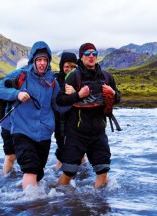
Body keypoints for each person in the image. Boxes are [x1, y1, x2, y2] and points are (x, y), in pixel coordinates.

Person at [0, 41, 60, 190]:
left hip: (44, 134)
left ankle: (35, 204)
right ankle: (31, 206)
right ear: (33, 61)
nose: (42, 63)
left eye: (45, 60)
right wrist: (17, 94)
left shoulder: (53, 82)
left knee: (38, 173)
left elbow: (59, 104)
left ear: (48, 61)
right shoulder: (21, 75)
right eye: (39, 60)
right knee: (30, 169)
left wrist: (75, 96)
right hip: (22, 130)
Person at [55, 43, 121, 189]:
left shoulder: (107, 76)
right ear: (81, 57)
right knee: (69, 172)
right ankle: (54, 197)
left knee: (103, 170)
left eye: (94, 53)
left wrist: (113, 93)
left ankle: (97, 204)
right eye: (87, 53)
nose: (91, 56)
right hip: (76, 133)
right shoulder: (73, 76)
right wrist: (78, 95)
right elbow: (60, 100)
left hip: (99, 132)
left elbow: (118, 98)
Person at [0, 57, 29, 175]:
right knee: (12, 155)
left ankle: (7, 179)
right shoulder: (7, 84)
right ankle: (9, 179)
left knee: (12, 156)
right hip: (9, 125)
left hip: (15, 126)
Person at [54, 52, 77, 171]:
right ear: (62, 66)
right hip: (58, 118)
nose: (69, 69)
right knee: (60, 143)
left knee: (77, 146)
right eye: (67, 66)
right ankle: (58, 168)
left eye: (73, 67)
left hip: (75, 119)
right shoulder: (55, 79)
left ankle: (81, 170)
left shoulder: (80, 79)